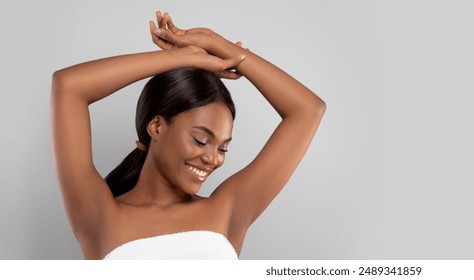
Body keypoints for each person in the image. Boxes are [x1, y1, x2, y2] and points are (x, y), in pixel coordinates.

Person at [51, 11, 326, 259]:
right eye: (200, 140)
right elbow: (68, 86)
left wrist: (213, 41)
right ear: (157, 126)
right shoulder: (100, 215)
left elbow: (308, 110)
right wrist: (184, 58)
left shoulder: (227, 209)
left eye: (223, 148)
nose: (212, 159)